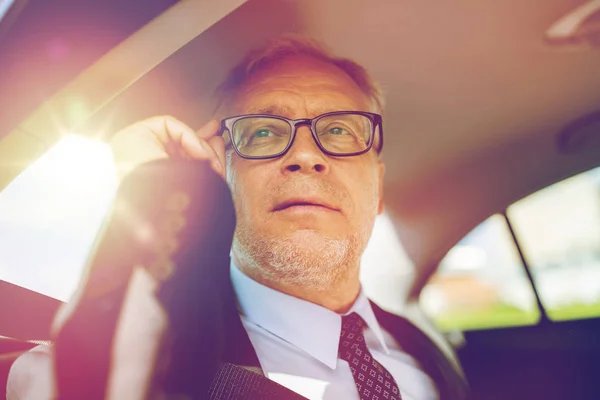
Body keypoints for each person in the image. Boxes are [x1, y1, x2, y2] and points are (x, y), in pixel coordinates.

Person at [7, 35, 469, 399]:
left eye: (338, 130)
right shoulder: (146, 360)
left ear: (379, 187)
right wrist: (156, 189)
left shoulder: (429, 351)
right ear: (221, 177)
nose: (306, 155)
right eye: (264, 132)